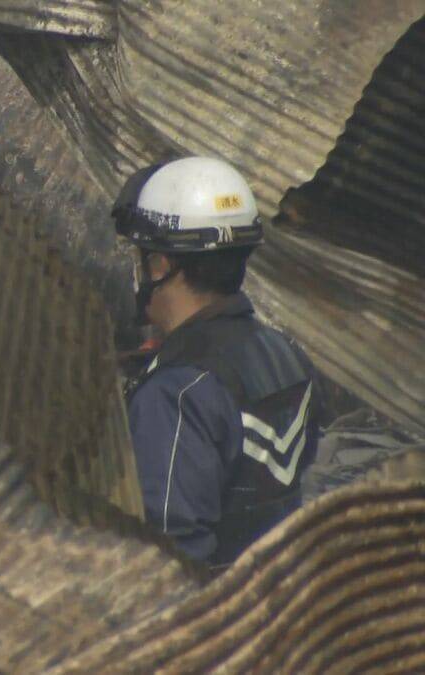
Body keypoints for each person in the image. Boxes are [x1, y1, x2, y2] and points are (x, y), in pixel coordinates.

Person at [113, 157, 319, 568]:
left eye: (143, 256)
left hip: (213, 619)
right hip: (278, 601)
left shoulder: (176, 395)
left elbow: (167, 556)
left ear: (160, 266)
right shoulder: (286, 355)